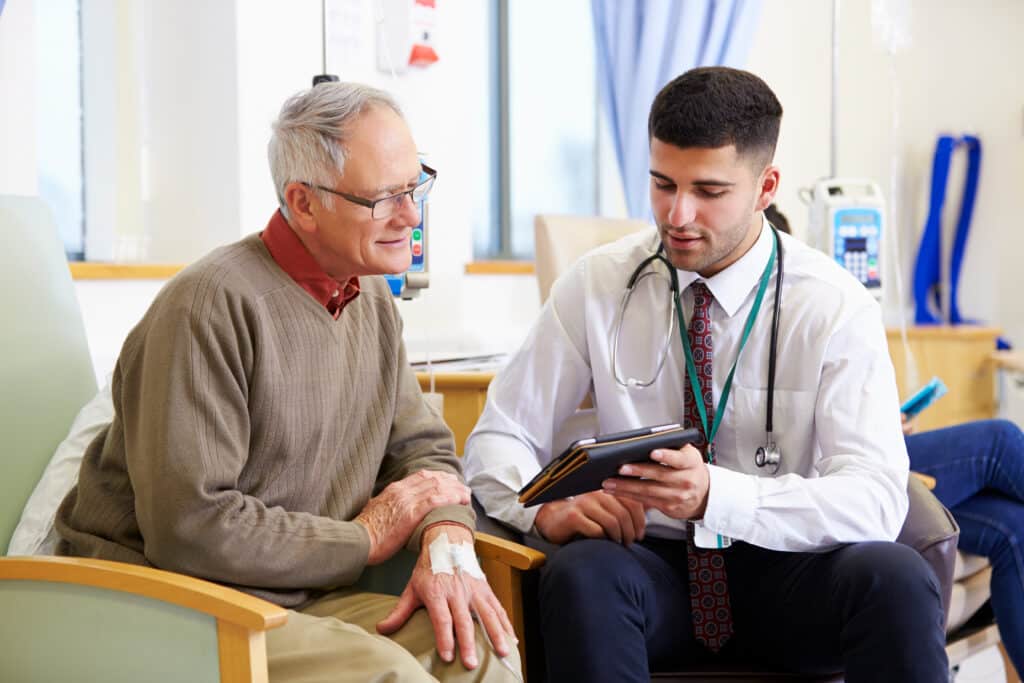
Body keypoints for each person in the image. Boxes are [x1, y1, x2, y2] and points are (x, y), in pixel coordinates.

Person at [464, 67, 947, 682]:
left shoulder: (834, 304)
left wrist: (719, 495)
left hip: (786, 567)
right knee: (581, 572)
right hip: (651, 566)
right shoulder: (598, 284)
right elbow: (497, 436)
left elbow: (877, 498)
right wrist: (543, 508)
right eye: (662, 184)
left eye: (709, 191)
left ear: (766, 186)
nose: (678, 214)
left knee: (894, 577)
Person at [56, 82, 519, 683]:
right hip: (165, 601)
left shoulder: (370, 296)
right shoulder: (209, 306)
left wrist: (446, 539)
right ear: (303, 203)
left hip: (305, 596)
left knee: (479, 653)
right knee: (388, 674)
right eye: (384, 199)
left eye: (415, 187)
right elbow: (190, 529)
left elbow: (421, 454)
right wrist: (364, 539)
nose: (412, 215)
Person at [769, 199, 1024, 673]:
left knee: (1012, 527)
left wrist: (879, 417)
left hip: (860, 454)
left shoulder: (818, 312)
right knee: (1001, 442)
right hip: (832, 478)